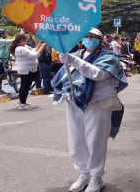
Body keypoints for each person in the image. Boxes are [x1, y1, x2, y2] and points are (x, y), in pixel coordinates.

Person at [52, 29, 127, 192]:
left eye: (93, 37)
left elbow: (98, 75)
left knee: (95, 141)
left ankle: (96, 178)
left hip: (98, 104)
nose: (89, 39)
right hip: (74, 102)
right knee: (76, 141)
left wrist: (72, 60)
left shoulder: (109, 57)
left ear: (100, 40)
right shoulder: (77, 54)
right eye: (86, 36)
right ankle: (84, 174)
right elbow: (64, 77)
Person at [8, 34, 46, 109]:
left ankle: (22, 102)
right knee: (25, 87)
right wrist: (43, 46)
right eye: (25, 39)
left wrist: (40, 43)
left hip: (28, 69)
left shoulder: (24, 47)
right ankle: (22, 104)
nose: (27, 40)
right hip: (26, 70)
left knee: (24, 86)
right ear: (22, 40)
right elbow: (34, 55)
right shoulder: (21, 49)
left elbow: (34, 50)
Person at [0, 29, 13, 96]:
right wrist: (19, 36)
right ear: (2, 34)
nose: (6, 34)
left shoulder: (1, 40)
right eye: (5, 33)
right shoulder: (0, 40)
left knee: (0, 76)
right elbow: (10, 41)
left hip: (3, 60)